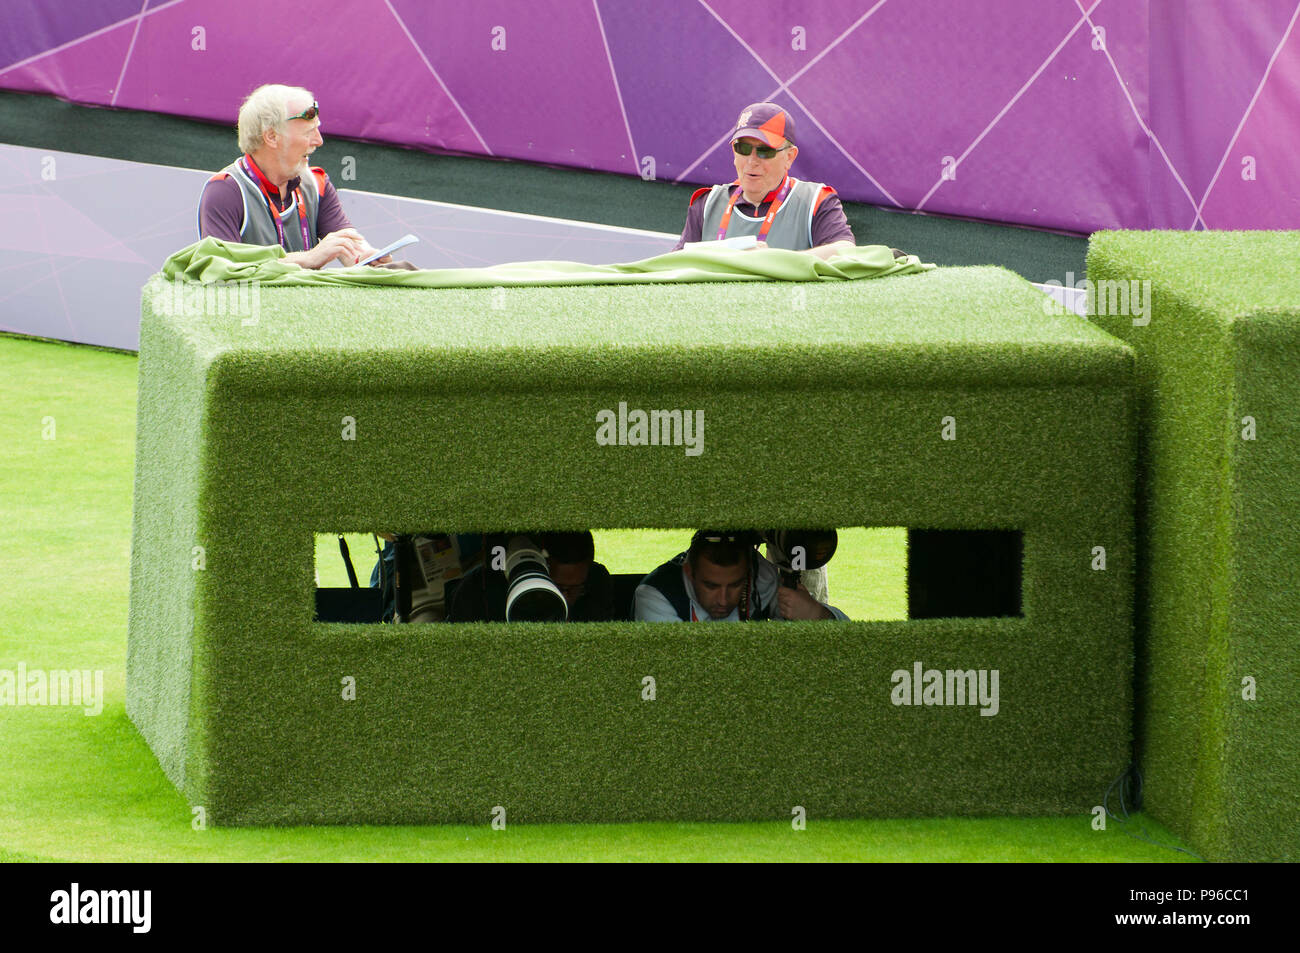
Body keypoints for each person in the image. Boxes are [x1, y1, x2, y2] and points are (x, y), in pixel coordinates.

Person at [198, 84, 398, 269]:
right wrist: (308, 258)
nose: (319, 141)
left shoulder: (317, 184)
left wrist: (365, 257)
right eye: (309, 132)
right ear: (272, 137)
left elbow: (348, 244)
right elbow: (223, 268)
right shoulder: (225, 190)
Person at [671, 102, 856, 261]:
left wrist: (773, 261)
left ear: (789, 157)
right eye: (743, 148)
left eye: (764, 151)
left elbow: (846, 250)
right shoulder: (706, 203)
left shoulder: (816, 201)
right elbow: (676, 263)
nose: (752, 161)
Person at [634, 531, 848, 622]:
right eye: (711, 586)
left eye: (735, 585)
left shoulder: (762, 577)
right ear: (689, 572)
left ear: (748, 572)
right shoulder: (656, 597)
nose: (724, 599)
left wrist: (815, 613)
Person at [448, 531, 617, 622]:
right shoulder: (477, 592)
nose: (566, 598)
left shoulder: (597, 583)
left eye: (575, 589)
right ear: (536, 567)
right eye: (558, 588)